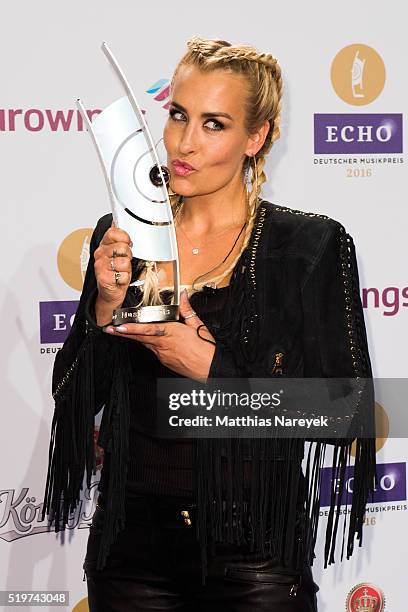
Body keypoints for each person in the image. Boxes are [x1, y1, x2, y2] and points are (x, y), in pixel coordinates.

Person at [42, 36, 376, 611]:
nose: (184, 143)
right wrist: (103, 306)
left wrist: (212, 369)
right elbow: (72, 396)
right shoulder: (124, 235)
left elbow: (347, 413)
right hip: (130, 558)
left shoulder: (308, 246)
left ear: (257, 136)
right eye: (177, 115)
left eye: (214, 124)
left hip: (256, 563)